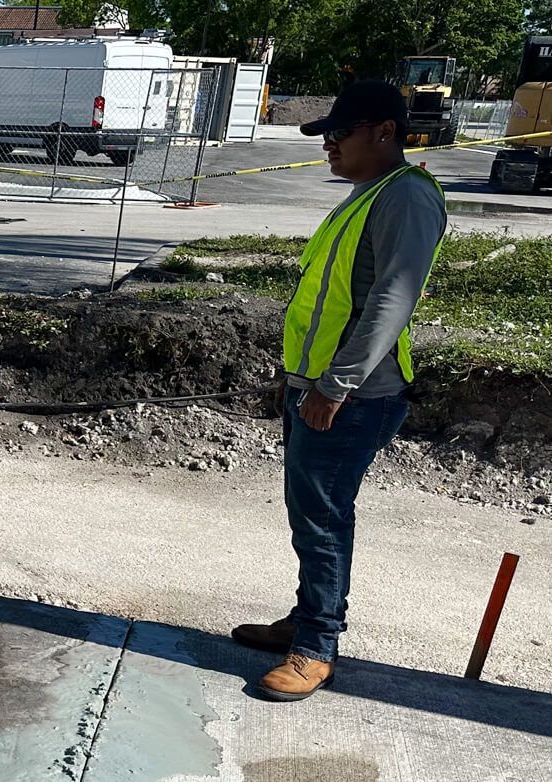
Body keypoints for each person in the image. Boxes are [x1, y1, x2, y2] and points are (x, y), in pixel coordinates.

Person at [231, 80, 446, 702]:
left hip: (352, 396)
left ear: (385, 131)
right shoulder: (366, 194)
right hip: (318, 387)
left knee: (323, 521)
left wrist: (334, 386)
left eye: (338, 134)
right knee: (310, 516)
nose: (328, 145)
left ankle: (316, 648)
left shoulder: (406, 196)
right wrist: (299, 378)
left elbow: (391, 301)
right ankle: (306, 621)